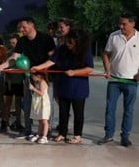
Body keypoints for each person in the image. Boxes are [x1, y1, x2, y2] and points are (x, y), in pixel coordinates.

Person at [0, 17, 55, 139]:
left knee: (46, 104)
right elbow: (15, 57)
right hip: (29, 76)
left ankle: (46, 131)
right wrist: (4, 65)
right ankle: (28, 130)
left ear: (32, 25)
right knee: (27, 104)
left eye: (23, 27)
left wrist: (41, 68)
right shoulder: (22, 41)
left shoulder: (46, 38)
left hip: (45, 76)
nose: (21, 30)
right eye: (19, 28)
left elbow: (53, 58)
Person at [31, 29, 94, 144]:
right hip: (64, 84)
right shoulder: (62, 49)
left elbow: (89, 68)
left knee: (78, 112)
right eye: (67, 42)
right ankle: (62, 133)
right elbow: (51, 62)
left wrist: (74, 72)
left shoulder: (85, 51)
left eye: (71, 43)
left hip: (79, 86)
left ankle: (77, 135)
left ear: (78, 42)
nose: (68, 45)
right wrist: (39, 67)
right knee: (63, 111)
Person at [98, 12, 139, 147]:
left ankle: (125, 137)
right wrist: (107, 70)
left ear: (133, 23)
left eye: (124, 24)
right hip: (114, 80)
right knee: (110, 109)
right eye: (120, 23)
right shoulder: (114, 36)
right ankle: (109, 135)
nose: (121, 26)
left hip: (131, 81)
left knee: (129, 110)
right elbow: (105, 54)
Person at [1, 34, 24, 132]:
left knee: (18, 103)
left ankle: (18, 122)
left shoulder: (23, 54)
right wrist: (9, 81)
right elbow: (6, 68)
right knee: (8, 102)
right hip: (9, 82)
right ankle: (6, 122)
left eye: (14, 43)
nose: (12, 45)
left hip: (19, 82)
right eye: (11, 43)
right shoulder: (8, 53)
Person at [28, 72, 50, 144]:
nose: (32, 77)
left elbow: (41, 93)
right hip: (38, 104)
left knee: (44, 120)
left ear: (39, 76)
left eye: (33, 76)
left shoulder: (42, 82)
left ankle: (44, 136)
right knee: (40, 120)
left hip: (43, 104)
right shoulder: (37, 82)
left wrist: (33, 88)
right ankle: (38, 134)